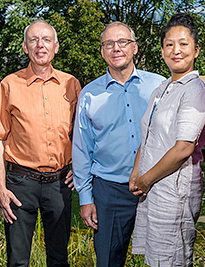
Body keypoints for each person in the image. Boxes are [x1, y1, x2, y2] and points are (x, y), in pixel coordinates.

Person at [0, 19, 81, 266]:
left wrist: (79, 167)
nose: (41, 45)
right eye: (34, 40)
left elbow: (82, 135)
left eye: (47, 40)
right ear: (25, 47)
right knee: (17, 261)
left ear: (56, 47)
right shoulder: (9, 84)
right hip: (19, 184)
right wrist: (0, 187)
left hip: (60, 184)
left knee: (59, 259)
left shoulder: (72, 84)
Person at [72, 21, 165, 266]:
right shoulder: (89, 94)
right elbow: (82, 149)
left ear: (134, 47)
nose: (116, 48)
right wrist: (85, 197)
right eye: (109, 44)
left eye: (122, 42)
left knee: (164, 259)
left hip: (156, 185)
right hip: (109, 190)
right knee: (109, 260)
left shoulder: (160, 86)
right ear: (102, 51)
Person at [129, 13, 205, 267]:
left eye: (183, 44)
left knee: (172, 258)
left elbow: (183, 148)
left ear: (196, 50)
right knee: (156, 259)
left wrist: (145, 179)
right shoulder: (162, 88)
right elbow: (148, 133)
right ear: (162, 50)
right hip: (152, 188)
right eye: (169, 44)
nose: (176, 50)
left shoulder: (195, 90)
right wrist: (135, 173)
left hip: (173, 192)